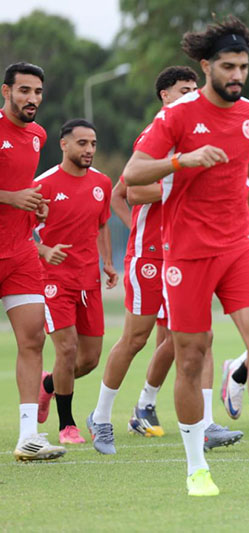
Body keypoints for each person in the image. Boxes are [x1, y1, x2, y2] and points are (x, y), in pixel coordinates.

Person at [123, 16, 249, 496]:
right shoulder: (177, 116)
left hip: (238, 246)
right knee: (191, 356)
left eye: (243, 66)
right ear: (206, 66)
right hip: (185, 254)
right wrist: (181, 160)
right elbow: (134, 173)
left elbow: (243, 172)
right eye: (227, 66)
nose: (237, 75)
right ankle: (196, 468)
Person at [88, 66, 242, 454]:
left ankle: (199, 422)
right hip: (151, 256)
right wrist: (179, 182)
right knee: (136, 338)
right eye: (183, 89)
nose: (192, 94)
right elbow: (130, 192)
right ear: (165, 96)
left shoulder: (198, 135)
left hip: (187, 253)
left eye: (195, 89)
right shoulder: (156, 135)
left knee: (198, 339)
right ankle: (101, 417)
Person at [35, 119, 118, 444]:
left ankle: (47, 387)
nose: (89, 150)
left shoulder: (102, 183)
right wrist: (43, 250)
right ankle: (66, 425)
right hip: (54, 281)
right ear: (64, 145)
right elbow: (15, 230)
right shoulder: (43, 185)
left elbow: (101, 226)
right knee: (67, 350)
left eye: (93, 144)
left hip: (90, 281)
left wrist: (108, 263)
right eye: (82, 143)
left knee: (89, 360)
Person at [0, 61, 66, 461]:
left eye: (38, 92)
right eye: (24, 90)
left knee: (33, 338)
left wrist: (33, 208)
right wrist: (10, 197)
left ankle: (28, 436)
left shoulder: (38, 135)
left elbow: (21, 187)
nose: (32, 99)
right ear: (5, 92)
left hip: (21, 251)